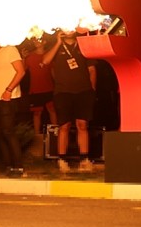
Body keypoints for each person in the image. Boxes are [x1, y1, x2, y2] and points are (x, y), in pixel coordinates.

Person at [42, 31, 97, 173]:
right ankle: (62, 160)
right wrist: (58, 42)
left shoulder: (83, 46)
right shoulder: (56, 47)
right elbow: (45, 61)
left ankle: (84, 159)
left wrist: (92, 89)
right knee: (64, 126)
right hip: (63, 92)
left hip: (83, 91)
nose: (68, 31)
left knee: (82, 125)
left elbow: (92, 69)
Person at [0, 40, 27, 177]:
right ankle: (8, 166)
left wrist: (9, 90)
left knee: (8, 131)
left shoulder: (10, 50)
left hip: (7, 98)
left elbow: (21, 72)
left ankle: (18, 166)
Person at [22, 37, 57, 136]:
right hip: (35, 90)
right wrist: (23, 58)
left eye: (40, 39)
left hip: (49, 88)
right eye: (35, 40)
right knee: (37, 113)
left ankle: (55, 133)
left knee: (52, 110)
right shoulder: (30, 56)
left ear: (45, 42)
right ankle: (37, 136)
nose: (36, 41)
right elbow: (22, 71)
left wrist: (57, 85)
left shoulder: (50, 55)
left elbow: (53, 71)